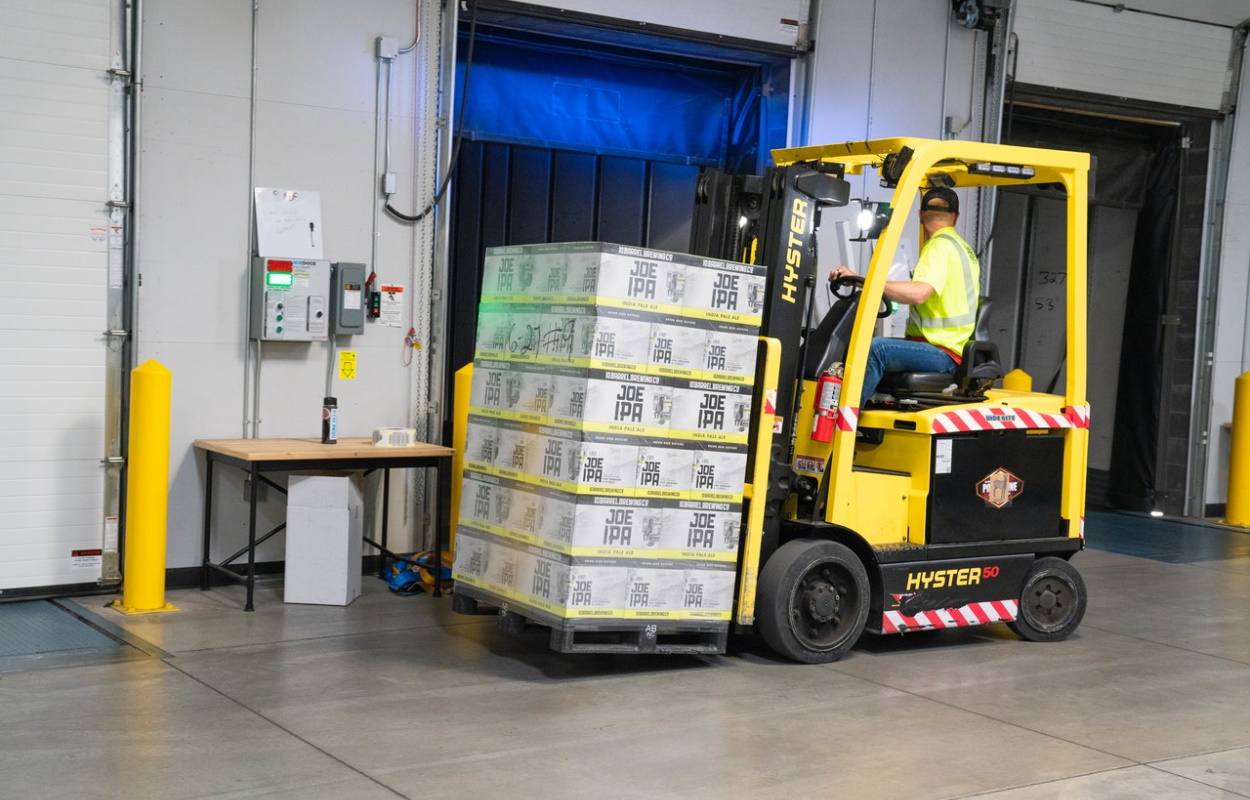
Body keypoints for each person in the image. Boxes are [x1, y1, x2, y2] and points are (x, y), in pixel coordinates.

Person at [829, 186, 980, 407]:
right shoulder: (962, 248)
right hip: (947, 349)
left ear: (919, 215)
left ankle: (843, 425)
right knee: (868, 345)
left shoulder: (939, 246)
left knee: (875, 349)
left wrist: (868, 282)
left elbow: (919, 293)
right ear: (956, 217)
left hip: (941, 353)